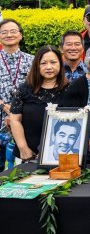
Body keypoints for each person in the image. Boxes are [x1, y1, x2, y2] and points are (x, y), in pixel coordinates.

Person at [8, 46, 71, 161]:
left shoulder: (70, 89)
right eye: (43, 63)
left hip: (61, 155)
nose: (49, 67)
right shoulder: (24, 89)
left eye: (53, 62)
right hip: (28, 154)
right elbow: (15, 120)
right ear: (37, 65)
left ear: (60, 64)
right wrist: (23, 148)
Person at [0, 18, 33, 168]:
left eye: (13, 31)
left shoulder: (32, 61)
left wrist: (16, 110)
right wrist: (3, 105)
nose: (9, 35)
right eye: (4, 32)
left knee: (21, 171)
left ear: (20, 35)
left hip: (24, 122)